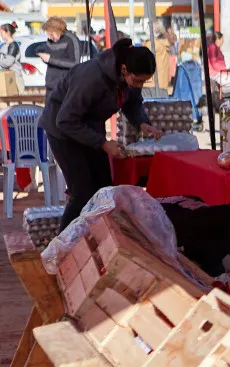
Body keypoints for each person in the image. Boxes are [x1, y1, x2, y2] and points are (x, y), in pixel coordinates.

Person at [39, 38, 159, 229]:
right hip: (62, 131)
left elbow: (132, 102)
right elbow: (66, 120)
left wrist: (142, 122)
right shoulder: (92, 77)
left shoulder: (129, 80)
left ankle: (99, 238)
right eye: (137, 80)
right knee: (82, 193)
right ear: (124, 69)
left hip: (91, 129)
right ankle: (62, 246)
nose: (139, 85)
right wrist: (103, 143)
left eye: (144, 82)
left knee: (104, 189)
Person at [39, 16, 80, 94]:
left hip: (65, 85)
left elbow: (74, 63)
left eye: (51, 34)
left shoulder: (71, 40)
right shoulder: (50, 40)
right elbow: (49, 58)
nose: (50, 37)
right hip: (51, 84)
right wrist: (44, 58)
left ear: (58, 30)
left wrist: (50, 59)